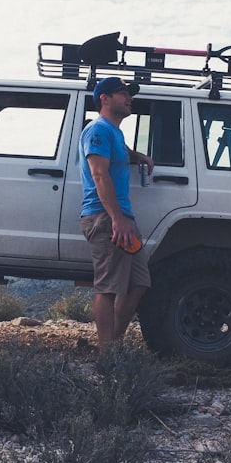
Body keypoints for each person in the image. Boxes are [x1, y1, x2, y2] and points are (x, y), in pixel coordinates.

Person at [79, 76, 154, 352]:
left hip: (122, 217)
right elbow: (99, 174)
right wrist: (117, 219)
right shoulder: (97, 130)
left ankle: (112, 345)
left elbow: (118, 152)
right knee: (108, 288)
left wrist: (138, 156)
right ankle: (107, 356)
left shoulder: (114, 132)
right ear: (105, 99)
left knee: (139, 283)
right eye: (123, 93)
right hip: (106, 218)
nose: (129, 98)